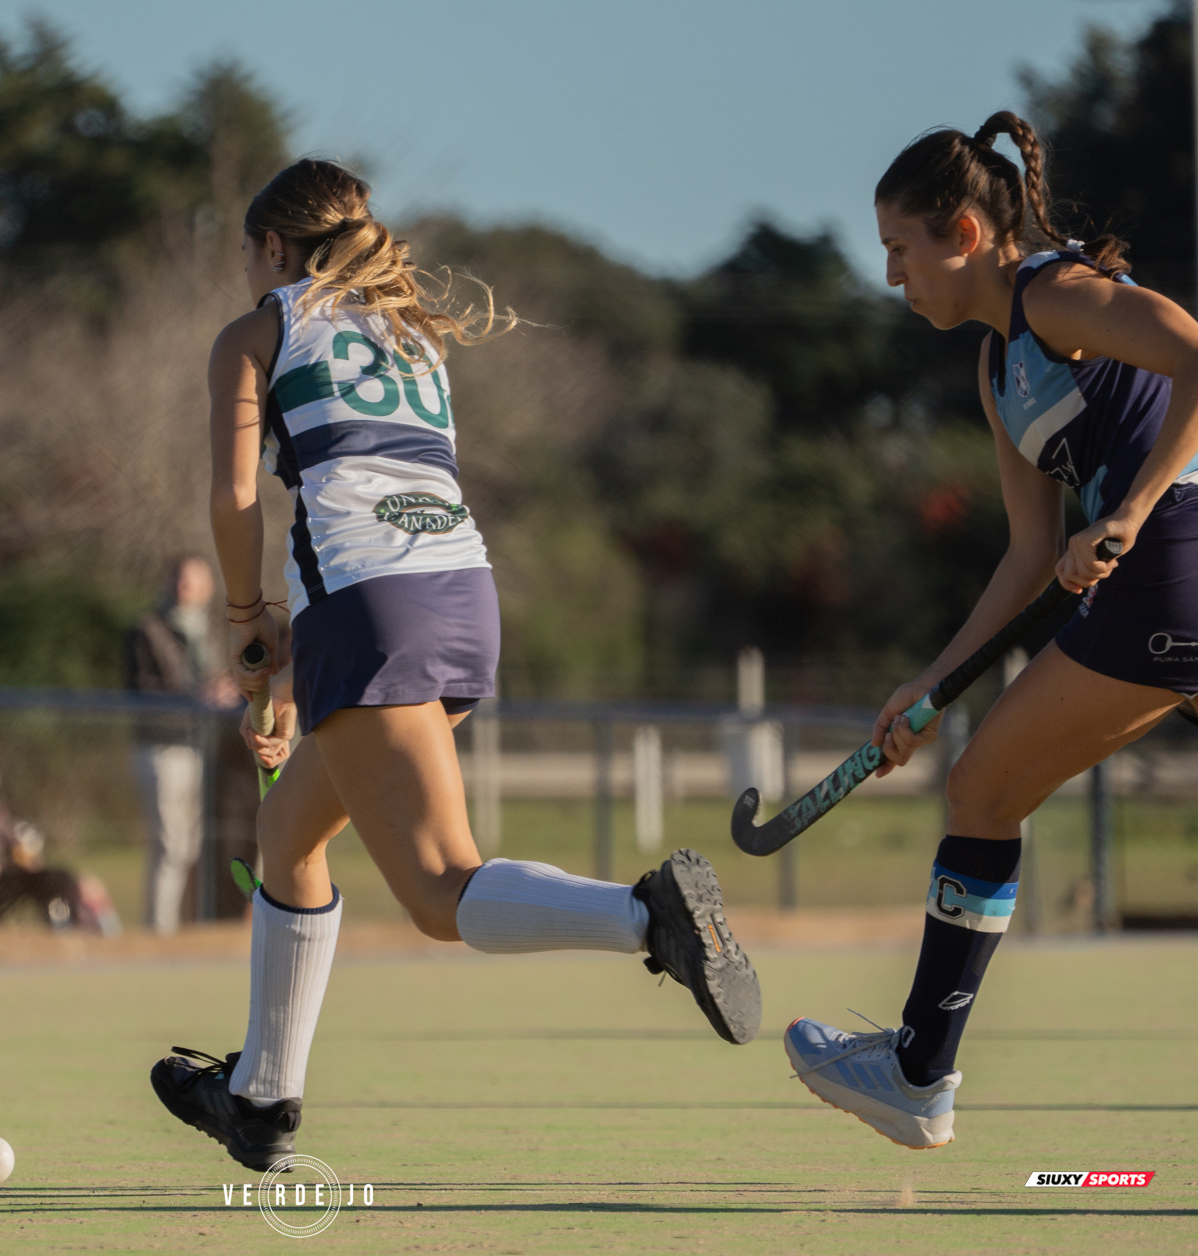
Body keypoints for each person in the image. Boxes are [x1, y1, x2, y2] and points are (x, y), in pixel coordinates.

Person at [149, 159, 761, 1171]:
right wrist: (303, 673)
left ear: (271, 248)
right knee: (289, 834)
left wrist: (251, 615)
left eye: (249, 258)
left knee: (441, 890)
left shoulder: (257, 331)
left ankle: (644, 917)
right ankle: (260, 1097)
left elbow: (235, 499)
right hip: (462, 602)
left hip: (369, 610)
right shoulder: (414, 335)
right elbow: (377, 501)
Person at [783, 112, 1198, 1150]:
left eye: (898, 250)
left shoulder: (1054, 295)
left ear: (962, 233)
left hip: (1176, 563)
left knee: (984, 792)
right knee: (980, 782)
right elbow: (1026, 556)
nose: (892, 277)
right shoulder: (996, 367)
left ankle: (918, 1071)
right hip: (1160, 576)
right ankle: (919, 1071)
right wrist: (926, 686)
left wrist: (1132, 511)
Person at [126, 555, 236, 934]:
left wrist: (223, 688)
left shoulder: (208, 630)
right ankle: (159, 932)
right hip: (161, 748)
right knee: (169, 847)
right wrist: (197, 695)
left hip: (197, 748)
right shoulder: (148, 628)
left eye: (193, 581)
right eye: (179, 579)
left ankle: (183, 928)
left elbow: (214, 679)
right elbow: (144, 691)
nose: (184, 587)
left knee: (189, 847)